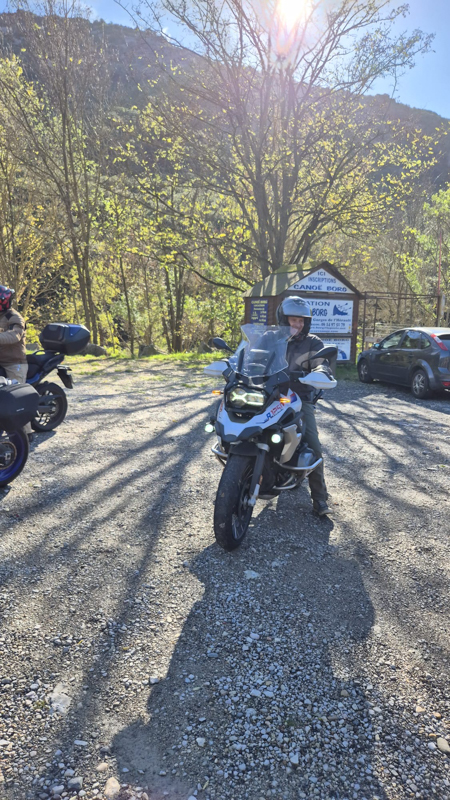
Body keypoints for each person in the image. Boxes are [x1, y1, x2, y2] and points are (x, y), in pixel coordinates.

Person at [276, 295, 333, 516]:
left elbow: (321, 362)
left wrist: (321, 371)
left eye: (301, 321)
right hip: (271, 395)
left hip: (299, 398)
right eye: (293, 320)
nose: (298, 324)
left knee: (314, 446)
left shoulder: (313, 342)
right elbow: (252, 356)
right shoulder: (272, 339)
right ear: (284, 320)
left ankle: (319, 499)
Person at [0, 285, 33, 440]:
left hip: (14, 363)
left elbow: (15, 336)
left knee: (16, 398)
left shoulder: (14, 317)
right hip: (1, 362)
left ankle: (26, 434)